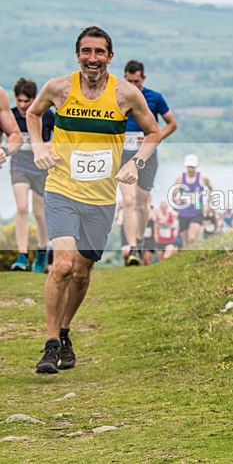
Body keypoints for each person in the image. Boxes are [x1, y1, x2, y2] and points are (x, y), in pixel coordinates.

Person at [27, 26, 161, 374]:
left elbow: (153, 132)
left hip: (101, 198)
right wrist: (39, 146)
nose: (92, 58)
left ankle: (66, 331)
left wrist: (137, 163)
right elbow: (33, 113)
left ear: (109, 57)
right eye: (86, 51)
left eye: (99, 52)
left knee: (83, 273)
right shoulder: (59, 87)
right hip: (61, 189)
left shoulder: (125, 93)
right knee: (63, 265)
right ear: (77, 55)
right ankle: (51, 343)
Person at [120, 60, 177, 266]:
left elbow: (172, 123)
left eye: (136, 81)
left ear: (143, 79)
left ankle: (140, 238)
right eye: (129, 81)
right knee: (128, 200)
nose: (133, 85)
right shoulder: (117, 96)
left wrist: (155, 137)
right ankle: (133, 246)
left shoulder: (155, 98)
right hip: (123, 155)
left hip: (147, 156)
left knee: (142, 204)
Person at [7, 80, 49, 271]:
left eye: (27, 101)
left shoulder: (46, 115)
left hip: (41, 169)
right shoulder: (12, 116)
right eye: (19, 101)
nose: (23, 105)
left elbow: (60, 141)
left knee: (40, 214)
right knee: (22, 208)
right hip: (19, 167)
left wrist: (41, 146)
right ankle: (22, 256)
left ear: (34, 99)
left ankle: (41, 252)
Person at [170, 154, 212, 247]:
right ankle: (187, 259)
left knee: (191, 238)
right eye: (189, 167)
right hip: (183, 212)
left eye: (192, 167)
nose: (190, 169)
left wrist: (207, 204)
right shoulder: (180, 178)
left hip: (197, 211)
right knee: (185, 242)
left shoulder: (203, 178)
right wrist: (176, 199)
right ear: (186, 166)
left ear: (196, 166)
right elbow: (174, 193)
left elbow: (211, 189)